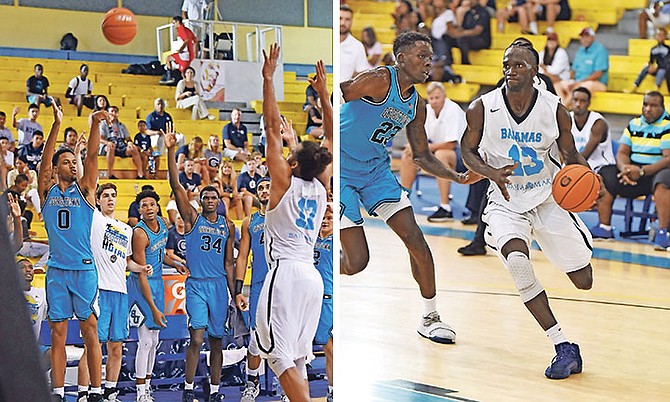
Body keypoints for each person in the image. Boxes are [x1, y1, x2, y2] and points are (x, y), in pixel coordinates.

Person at [461, 43, 598, 379]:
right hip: (506, 201)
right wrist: (490, 172)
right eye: (507, 64)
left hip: (549, 197)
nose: (512, 70)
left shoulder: (554, 110)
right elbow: (466, 149)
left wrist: (591, 183)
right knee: (519, 265)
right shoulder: (483, 107)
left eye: (520, 65)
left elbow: (570, 155)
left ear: (535, 70)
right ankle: (563, 345)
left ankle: (563, 250)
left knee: (584, 280)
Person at [341, 32, 474, 344]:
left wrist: (457, 177)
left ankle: (431, 316)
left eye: (430, 57)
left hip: (375, 171)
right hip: (343, 171)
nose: (428, 62)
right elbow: (339, 93)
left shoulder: (417, 105)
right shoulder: (377, 80)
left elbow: (423, 155)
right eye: (421, 56)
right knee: (357, 263)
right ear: (400, 59)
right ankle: (327, 269)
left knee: (416, 239)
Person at [258, 44, 332, 402]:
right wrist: (324, 98)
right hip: (311, 276)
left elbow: (272, 127)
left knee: (277, 354)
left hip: (285, 274)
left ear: (295, 164)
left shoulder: (283, 182)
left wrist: (268, 80)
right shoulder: (321, 186)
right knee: (298, 360)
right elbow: (332, 140)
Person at [38, 103, 107, 402]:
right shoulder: (46, 191)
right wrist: (56, 124)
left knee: (90, 330)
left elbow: (91, 156)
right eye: (65, 162)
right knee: (58, 335)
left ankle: (95, 390)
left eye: (73, 162)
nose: (72, 166)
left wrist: (94, 124)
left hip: (83, 269)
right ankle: (57, 392)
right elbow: (43, 163)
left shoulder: (87, 191)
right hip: (57, 270)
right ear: (56, 169)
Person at [165, 122, 235, 402]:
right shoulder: (192, 220)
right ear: (200, 200)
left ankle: (215, 391)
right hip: (195, 285)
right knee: (196, 337)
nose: (209, 200)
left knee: (217, 340)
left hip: (219, 285)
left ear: (219, 201)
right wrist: (170, 152)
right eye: (204, 197)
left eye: (213, 197)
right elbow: (175, 184)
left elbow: (230, 262)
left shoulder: (228, 226)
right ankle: (188, 388)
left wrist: (235, 292)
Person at [76, 183, 151, 402]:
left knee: (116, 345)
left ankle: (110, 391)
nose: (110, 199)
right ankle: (83, 392)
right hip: (98, 290)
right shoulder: (94, 219)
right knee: (93, 345)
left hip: (120, 291)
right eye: (106, 195)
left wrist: (141, 268)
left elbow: (127, 261)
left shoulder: (126, 229)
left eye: (113, 195)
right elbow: (86, 188)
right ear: (98, 200)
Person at [589, 91, 670, 249]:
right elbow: (622, 152)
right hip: (632, 173)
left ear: (662, 107)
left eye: (653, 106)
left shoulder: (667, 125)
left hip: (655, 173)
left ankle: (663, 232)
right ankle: (604, 229)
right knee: (606, 173)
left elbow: (667, 159)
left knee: (664, 179)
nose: (648, 109)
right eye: (645, 104)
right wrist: (625, 169)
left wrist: (641, 171)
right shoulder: (634, 124)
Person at [399, 82, 467, 221]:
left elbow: (450, 144)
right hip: (436, 149)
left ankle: (445, 208)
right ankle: (403, 200)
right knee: (408, 153)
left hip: (463, 155)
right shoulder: (427, 110)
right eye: (432, 98)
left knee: (441, 155)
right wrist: (414, 147)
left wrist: (423, 148)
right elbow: (422, 138)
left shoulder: (453, 109)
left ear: (444, 96)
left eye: (437, 97)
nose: (434, 101)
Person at [128, 189, 170, 402]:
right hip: (140, 285)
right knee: (145, 340)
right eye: (144, 205)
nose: (148, 208)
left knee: (155, 341)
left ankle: (149, 385)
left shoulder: (163, 224)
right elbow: (142, 271)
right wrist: (153, 308)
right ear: (139, 210)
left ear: (157, 206)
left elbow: (160, 255)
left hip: (157, 283)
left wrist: (178, 263)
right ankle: (140, 391)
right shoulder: (140, 233)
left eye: (151, 204)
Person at [235, 177, 271, 402]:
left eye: (268, 186)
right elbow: (242, 257)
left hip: (284, 283)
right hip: (258, 284)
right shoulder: (249, 222)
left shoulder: (285, 214)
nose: (264, 190)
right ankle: (252, 384)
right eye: (260, 188)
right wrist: (239, 289)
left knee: (285, 336)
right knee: (256, 339)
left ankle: (287, 388)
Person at [555, 28, 609, 107]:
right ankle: (564, 106)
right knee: (558, 85)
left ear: (592, 37)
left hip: (596, 83)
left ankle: (563, 108)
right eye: (582, 37)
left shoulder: (600, 49)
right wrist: (571, 81)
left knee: (580, 87)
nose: (584, 39)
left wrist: (579, 83)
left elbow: (598, 74)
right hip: (579, 81)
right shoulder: (580, 50)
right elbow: (573, 70)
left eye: (587, 36)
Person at [313, 206, 333, 402]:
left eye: (329, 217)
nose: (325, 220)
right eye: (322, 217)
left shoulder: (337, 242)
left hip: (326, 297)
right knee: (297, 347)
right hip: (306, 297)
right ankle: (288, 393)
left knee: (330, 347)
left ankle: (333, 389)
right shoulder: (309, 240)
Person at [570, 87, 615, 173]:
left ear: (589, 103)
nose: (578, 104)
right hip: (576, 165)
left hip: (601, 166)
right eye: (575, 100)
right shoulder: (566, 118)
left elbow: (586, 155)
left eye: (582, 101)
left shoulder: (598, 123)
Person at [100, 105, 144, 179]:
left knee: (133, 148)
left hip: (120, 145)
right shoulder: (103, 124)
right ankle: (110, 174)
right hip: (108, 145)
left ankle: (140, 174)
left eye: (115, 111)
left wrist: (130, 143)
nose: (113, 113)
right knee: (111, 147)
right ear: (108, 113)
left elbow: (128, 138)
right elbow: (100, 139)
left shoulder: (121, 125)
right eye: (112, 111)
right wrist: (108, 143)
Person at [445, 0, 491, 65]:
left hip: (482, 39)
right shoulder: (468, 13)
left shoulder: (483, 12)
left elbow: (477, 31)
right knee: (447, 38)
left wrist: (461, 34)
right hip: (469, 37)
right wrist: (453, 31)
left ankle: (465, 61)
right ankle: (449, 61)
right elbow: (463, 28)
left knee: (462, 39)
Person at [627, 28, 670, 93]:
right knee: (645, 69)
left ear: (665, 37)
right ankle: (635, 85)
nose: (660, 37)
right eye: (658, 35)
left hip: (664, 69)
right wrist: (650, 66)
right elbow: (651, 60)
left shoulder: (667, 49)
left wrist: (657, 67)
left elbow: (667, 61)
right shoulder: (653, 49)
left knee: (661, 71)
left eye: (662, 35)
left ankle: (656, 87)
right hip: (655, 68)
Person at [163, 16, 197, 84]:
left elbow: (186, 40)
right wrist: (194, 53)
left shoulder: (181, 29)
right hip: (189, 54)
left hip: (184, 54)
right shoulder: (188, 30)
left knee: (183, 72)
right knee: (169, 59)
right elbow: (195, 41)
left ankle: (171, 77)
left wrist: (180, 50)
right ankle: (170, 76)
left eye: (174, 23)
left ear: (178, 22)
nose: (173, 25)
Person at [340, 4, 369, 82]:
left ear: (351, 21)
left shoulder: (357, 46)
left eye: (347, 19)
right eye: (340, 18)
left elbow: (362, 75)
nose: (343, 23)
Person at [145, 98, 174, 174]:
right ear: (155, 105)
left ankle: (178, 156)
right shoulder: (151, 116)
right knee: (161, 138)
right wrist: (157, 132)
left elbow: (171, 127)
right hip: (155, 136)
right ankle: (159, 155)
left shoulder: (167, 116)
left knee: (181, 137)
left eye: (161, 104)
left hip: (166, 135)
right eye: (158, 104)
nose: (160, 106)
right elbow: (147, 131)